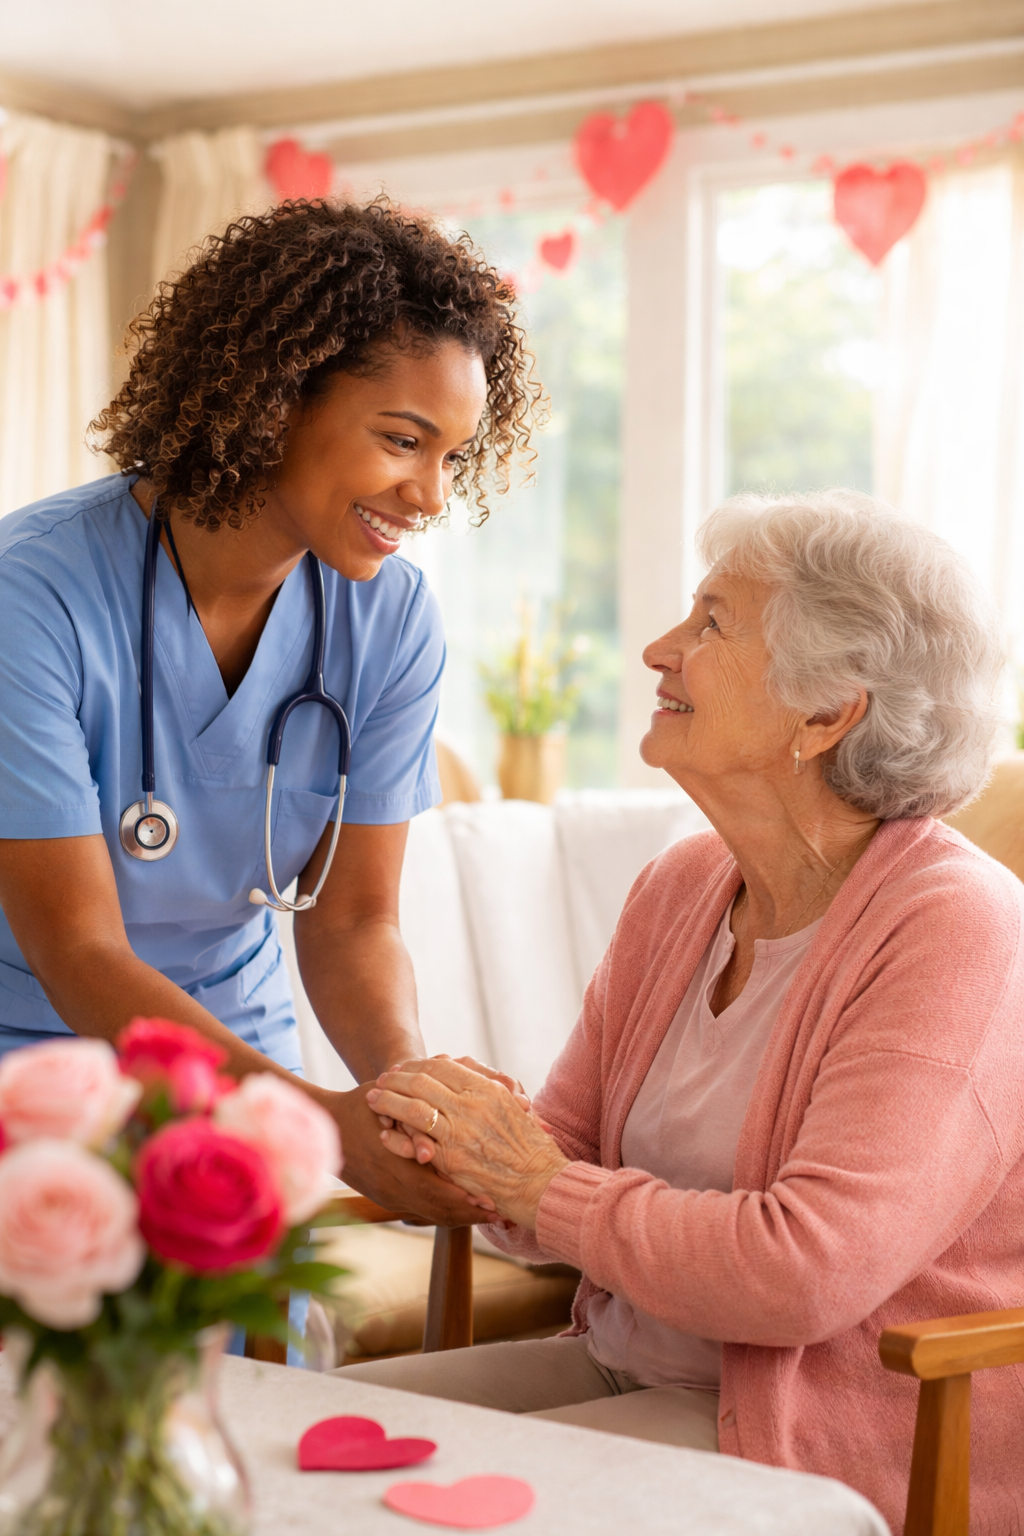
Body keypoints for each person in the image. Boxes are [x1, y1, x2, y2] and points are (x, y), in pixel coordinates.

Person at [348, 492, 1024, 1535]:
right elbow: (559, 1152)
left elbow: (805, 1272)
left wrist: (536, 1181)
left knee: (395, 1519)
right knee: (284, 1457)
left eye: (712, 622)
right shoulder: (683, 885)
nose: (660, 648)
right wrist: (456, 1136)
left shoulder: (958, 930)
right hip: (627, 1365)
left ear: (826, 712)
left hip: (828, 1429)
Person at [0, 198, 539, 1231]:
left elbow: (353, 922)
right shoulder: (35, 596)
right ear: (276, 397)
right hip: (31, 1055)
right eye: (402, 439)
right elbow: (80, 953)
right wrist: (328, 1132)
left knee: (254, 1379)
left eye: (451, 458)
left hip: (242, 1056)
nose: (429, 495)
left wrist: (401, 1098)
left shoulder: (390, 619)